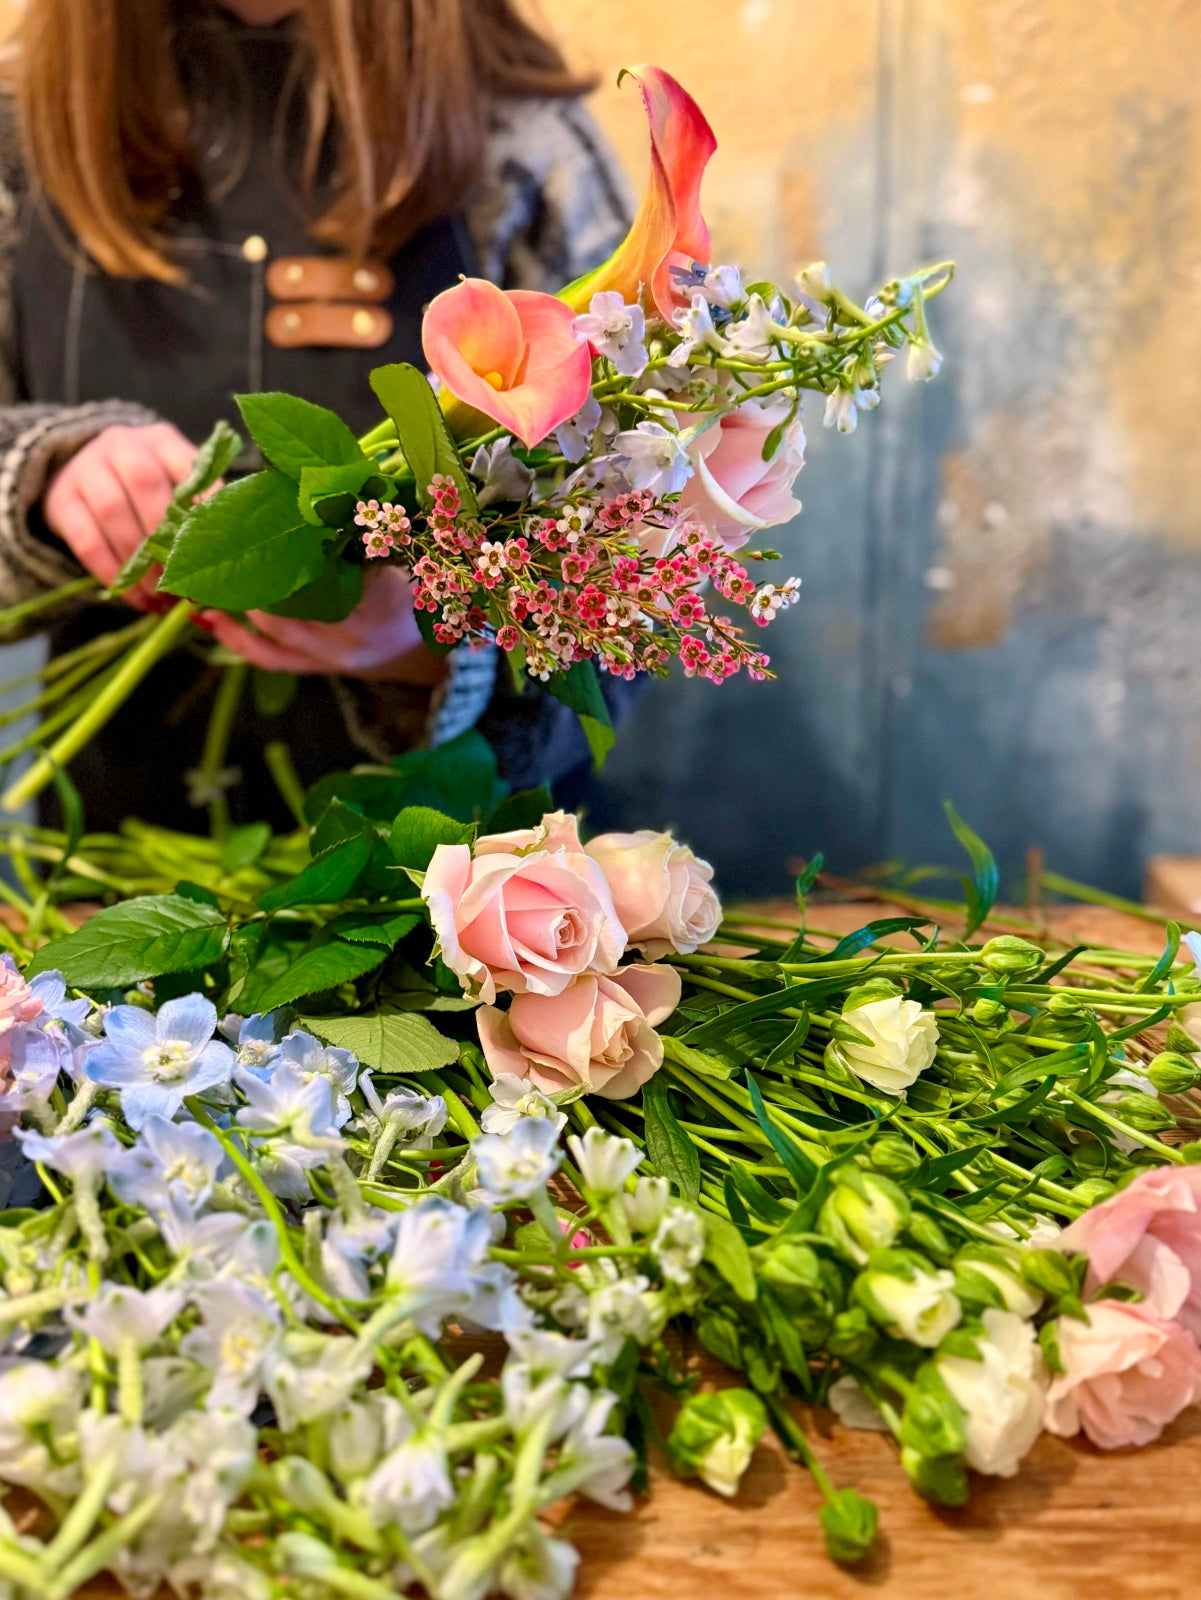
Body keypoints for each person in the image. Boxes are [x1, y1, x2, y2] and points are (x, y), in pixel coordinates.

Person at [0, 0, 633, 831]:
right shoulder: (23, 127)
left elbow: (632, 578)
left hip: (468, 885)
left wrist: (433, 645)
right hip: (113, 858)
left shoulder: (527, 142)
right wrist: (45, 472)